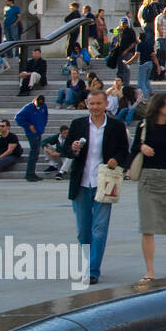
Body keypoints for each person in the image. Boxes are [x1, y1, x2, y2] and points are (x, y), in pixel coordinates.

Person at [59, 88, 130, 285]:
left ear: (106, 104)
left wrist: (116, 159)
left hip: (104, 182)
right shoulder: (78, 124)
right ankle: (89, 261)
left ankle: (92, 270)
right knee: (83, 230)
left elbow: (125, 151)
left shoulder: (116, 126)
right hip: (81, 182)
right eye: (91, 104)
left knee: (99, 229)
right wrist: (72, 149)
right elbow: (65, 150)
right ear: (87, 105)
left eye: (99, 104)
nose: (95, 108)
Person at [13, 94, 48, 182]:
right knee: (33, 153)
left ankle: (32, 172)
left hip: (39, 131)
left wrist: (42, 126)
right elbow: (18, 118)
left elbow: (45, 117)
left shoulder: (43, 106)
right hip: (31, 133)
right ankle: (29, 174)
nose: (39, 106)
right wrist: (28, 126)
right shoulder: (28, 108)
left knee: (36, 154)